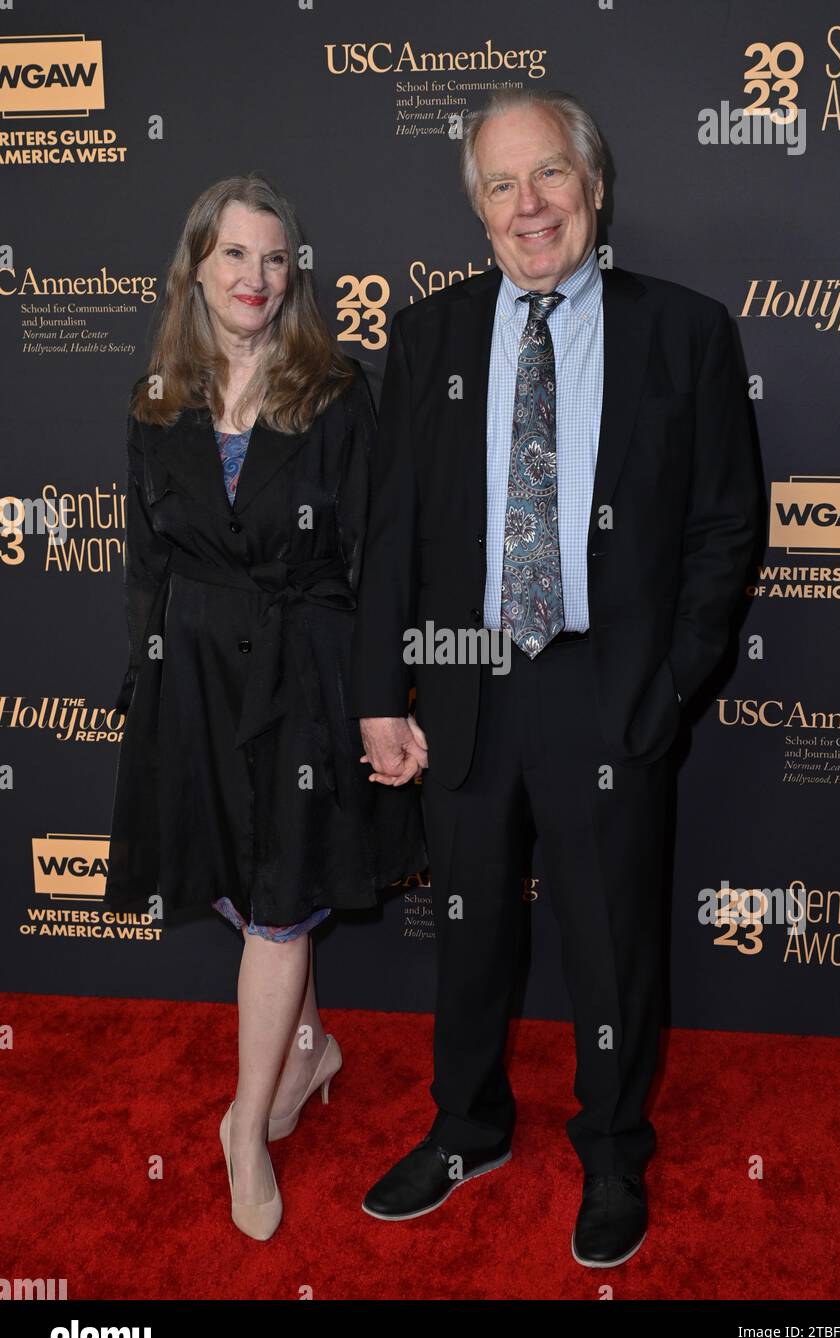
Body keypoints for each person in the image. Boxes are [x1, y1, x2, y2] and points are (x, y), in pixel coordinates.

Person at [351, 91, 760, 1266]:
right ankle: (468, 1127)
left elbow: (728, 524)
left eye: (549, 178)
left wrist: (669, 679)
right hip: (469, 669)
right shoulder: (429, 337)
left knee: (611, 939)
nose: (529, 207)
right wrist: (384, 691)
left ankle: (614, 1151)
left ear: (593, 184)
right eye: (500, 185)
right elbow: (391, 532)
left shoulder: (681, 331)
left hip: (607, 682)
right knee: (469, 932)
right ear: (476, 205)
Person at [103, 173, 426, 1242]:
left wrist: (382, 695)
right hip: (196, 676)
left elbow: (379, 557)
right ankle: (309, 1049)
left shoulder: (336, 388)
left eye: (275, 257)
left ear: (295, 274)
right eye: (235, 255)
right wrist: (146, 691)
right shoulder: (158, 398)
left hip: (305, 674)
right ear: (196, 264)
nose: (256, 277)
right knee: (250, 891)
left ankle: (246, 1128)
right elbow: (149, 564)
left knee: (281, 898)